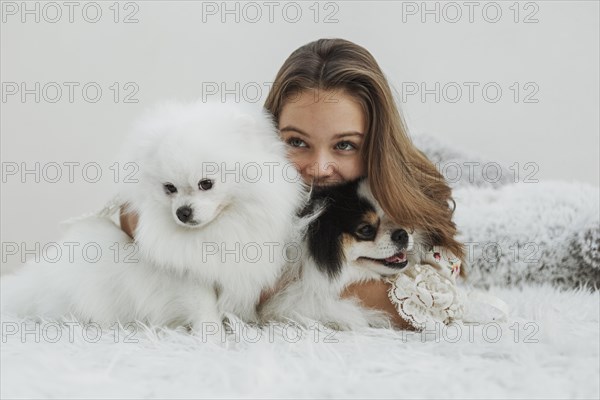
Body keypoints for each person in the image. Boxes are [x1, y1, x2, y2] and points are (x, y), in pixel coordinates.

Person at [120, 38, 466, 331]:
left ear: (375, 141)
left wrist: (296, 287)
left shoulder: (402, 193)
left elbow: (441, 295)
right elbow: (128, 212)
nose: (319, 167)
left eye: (344, 144)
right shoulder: (243, 161)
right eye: (297, 142)